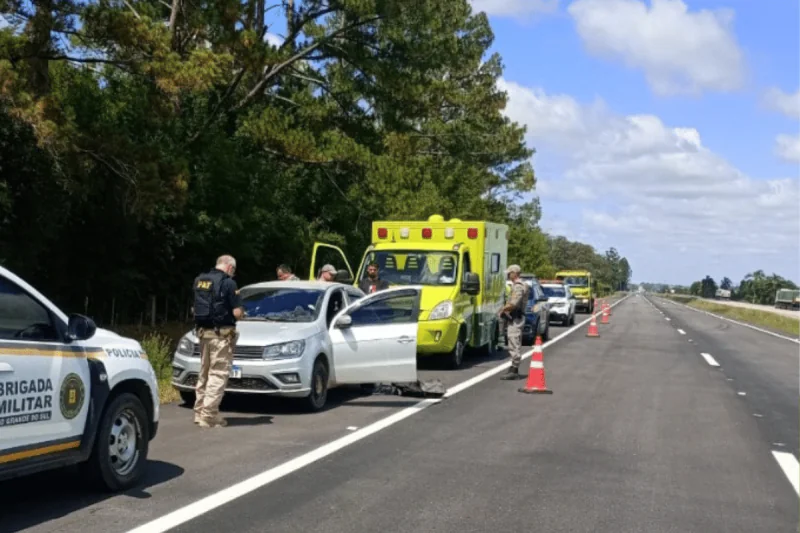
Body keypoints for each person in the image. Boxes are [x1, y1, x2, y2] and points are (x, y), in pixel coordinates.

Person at [192, 255, 244, 428]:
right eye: (233, 271)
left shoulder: (200, 280)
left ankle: (200, 412)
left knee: (204, 373)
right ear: (229, 267)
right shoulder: (228, 283)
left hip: (203, 334)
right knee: (218, 374)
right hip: (221, 336)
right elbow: (236, 313)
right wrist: (242, 314)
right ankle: (209, 416)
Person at [499, 264, 529, 380]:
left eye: (510, 273)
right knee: (512, 341)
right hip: (514, 317)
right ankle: (513, 368)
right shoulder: (517, 285)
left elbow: (514, 303)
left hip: (516, 318)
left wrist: (503, 310)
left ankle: (514, 369)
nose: (508, 274)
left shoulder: (518, 286)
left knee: (513, 341)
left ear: (515, 273)